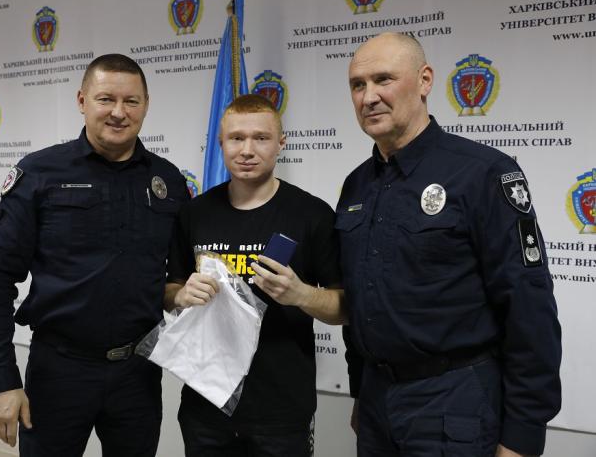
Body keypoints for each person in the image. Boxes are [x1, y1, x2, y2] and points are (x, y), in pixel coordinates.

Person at [338, 32, 561, 457]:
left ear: (424, 80)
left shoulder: (483, 173)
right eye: (357, 85)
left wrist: (523, 433)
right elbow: (361, 298)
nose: (369, 97)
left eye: (384, 79)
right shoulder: (357, 185)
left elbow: (528, 305)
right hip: (376, 404)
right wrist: (360, 390)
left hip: (453, 401)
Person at [0, 54, 189, 456]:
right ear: (82, 100)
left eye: (131, 101)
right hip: (59, 371)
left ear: (146, 105)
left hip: (138, 373)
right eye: (106, 99)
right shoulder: (39, 174)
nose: (119, 112)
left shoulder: (168, 181)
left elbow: (177, 279)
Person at [165, 94, 346, 457]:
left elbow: (346, 308)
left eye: (261, 138)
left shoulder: (312, 214)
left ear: (281, 143)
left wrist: (301, 294)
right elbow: (170, 290)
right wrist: (181, 296)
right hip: (206, 405)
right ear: (221, 143)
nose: (247, 150)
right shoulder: (194, 213)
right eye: (236, 138)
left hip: (281, 410)